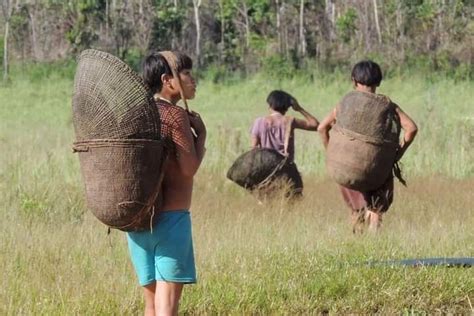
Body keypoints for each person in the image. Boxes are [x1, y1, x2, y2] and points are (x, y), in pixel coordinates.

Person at [126, 51, 206, 316]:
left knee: (151, 306)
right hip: (171, 221)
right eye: (186, 74)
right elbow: (188, 169)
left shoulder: (138, 114)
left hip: (138, 223)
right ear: (167, 80)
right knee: (167, 308)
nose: (193, 80)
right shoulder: (174, 116)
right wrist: (201, 137)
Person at [318, 60, 418, 233]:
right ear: (379, 82)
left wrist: (332, 153)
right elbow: (411, 129)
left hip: (346, 169)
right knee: (376, 208)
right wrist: (397, 155)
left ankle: (355, 244)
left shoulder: (345, 104)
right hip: (376, 168)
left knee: (355, 210)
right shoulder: (387, 106)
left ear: (353, 80)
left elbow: (321, 128)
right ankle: (374, 244)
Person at [250, 90, 319, 194]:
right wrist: (299, 109)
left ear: (270, 105)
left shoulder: (259, 122)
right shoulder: (290, 121)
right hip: (287, 170)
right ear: (287, 107)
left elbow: (254, 149)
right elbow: (316, 125)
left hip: (266, 171)